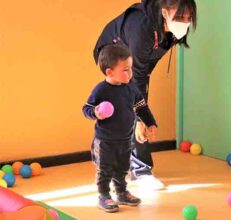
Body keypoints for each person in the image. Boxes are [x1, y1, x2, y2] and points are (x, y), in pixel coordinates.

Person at [93, 0, 197, 189]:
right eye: (180, 17)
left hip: (137, 64)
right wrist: (142, 118)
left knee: (133, 104)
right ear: (164, 12)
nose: (185, 22)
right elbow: (137, 75)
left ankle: (122, 161)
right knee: (130, 107)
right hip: (112, 52)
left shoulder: (173, 30)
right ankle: (140, 172)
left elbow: (147, 65)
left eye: (189, 18)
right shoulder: (142, 26)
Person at [83, 44, 157, 212]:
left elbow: (142, 107)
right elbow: (86, 109)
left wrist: (150, 123)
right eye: (125, 70)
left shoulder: (131, 88)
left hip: (125, 139)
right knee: (105, 169)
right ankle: (103, 195)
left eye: (131, 68)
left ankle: (122, 192)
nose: (130, 73)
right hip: (105, 141)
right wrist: (95, 112)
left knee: (123, 167)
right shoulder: (101, 90)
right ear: (109, 72)